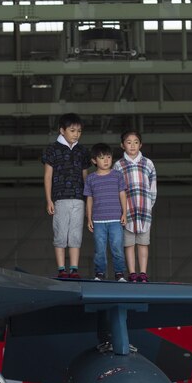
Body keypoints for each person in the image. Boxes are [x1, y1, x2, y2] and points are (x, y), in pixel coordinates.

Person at [42, 113, 91, 279]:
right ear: (62, 130)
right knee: (61, 234)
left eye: (79, 131)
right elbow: (48, 176)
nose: (76, 134)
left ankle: (74, 269)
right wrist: (49, 199)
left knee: (76, 235)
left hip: (79, 198)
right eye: (72, 130)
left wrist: (88, 200)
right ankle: (62, 269)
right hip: (60, 198)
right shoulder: (52, 149)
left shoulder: (82, 151)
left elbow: (86, 177)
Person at [114, 131, 157, 283]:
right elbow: (117, 189)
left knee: (143, 243)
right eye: (128, 142)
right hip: (127, 211)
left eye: (136, 142)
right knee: (129, 243)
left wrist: (149, 205)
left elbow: (153, 187)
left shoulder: (148, 163)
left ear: (141, 144)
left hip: (144, 210)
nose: (132, 145)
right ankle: (132, 273)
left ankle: (143, 273)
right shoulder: (118, 165)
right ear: (122, 145)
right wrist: (121, 210)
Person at [84, 143, 128, 281]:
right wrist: (89, 218)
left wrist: (124, 213)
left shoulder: (117, 175)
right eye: (102, 158)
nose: (106, 160)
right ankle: (100, 273)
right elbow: (89, 199)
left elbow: (122, 195)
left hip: (115, 219)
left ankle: (119, 273)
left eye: (108, 157)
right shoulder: (91, 178)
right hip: (98, 221)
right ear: (94, 161)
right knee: (99, 250)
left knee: (117, 248)